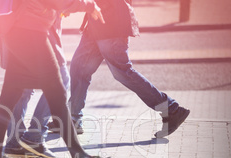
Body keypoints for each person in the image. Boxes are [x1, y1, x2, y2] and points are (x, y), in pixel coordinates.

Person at [0, 0, 113, 158]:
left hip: (19, 32)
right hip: (31, 33)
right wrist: (88, 5)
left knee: (9, 96)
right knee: (57, 94)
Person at [66, 0, 190, 138]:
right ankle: (73, 119)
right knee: (79, 68)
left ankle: (171, 110)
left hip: (111, 22)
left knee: (122, 72)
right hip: (95, 23)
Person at [3, 14, 69, 158]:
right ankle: (34, 137)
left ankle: (15, 141)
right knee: (62, 79)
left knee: (22, 86)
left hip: (20, 30)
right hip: (36, 29)